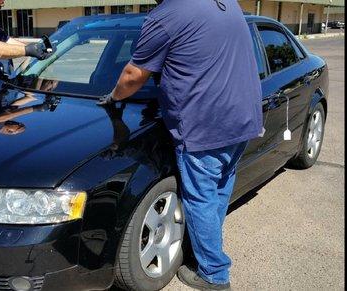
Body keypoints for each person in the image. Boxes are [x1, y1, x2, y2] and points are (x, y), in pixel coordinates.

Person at [97, 0, 263, 290]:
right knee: (216, 193)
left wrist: (114, 97)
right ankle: (207, 248)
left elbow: (134, 75)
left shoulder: (166, 15)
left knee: (200, 199)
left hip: (204, 128)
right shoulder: (227, 4)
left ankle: (214, 274)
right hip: (242, 121)